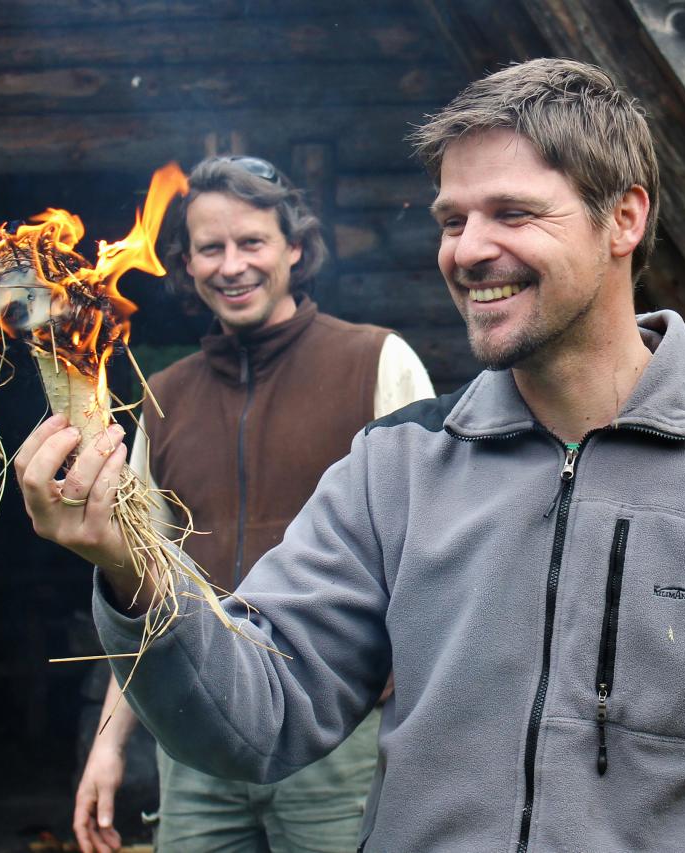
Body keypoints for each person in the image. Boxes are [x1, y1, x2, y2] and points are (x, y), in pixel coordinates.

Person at [19, 60, 685, 850]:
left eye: (512, 213)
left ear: (624, 219)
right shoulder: (396, 468)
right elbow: (257, 714)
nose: (468, 250)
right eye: (452, 219)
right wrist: (132, 570)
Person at [21, 155, 433, 853]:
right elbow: (142, 583)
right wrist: (109, 743)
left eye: (252, 242)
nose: (231, 264)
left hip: (334, 733)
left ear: (294, 248)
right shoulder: (165, 398)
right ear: (185, 263)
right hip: (198, 735)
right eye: (210, 248)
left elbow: (436, 542)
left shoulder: (378, 361)